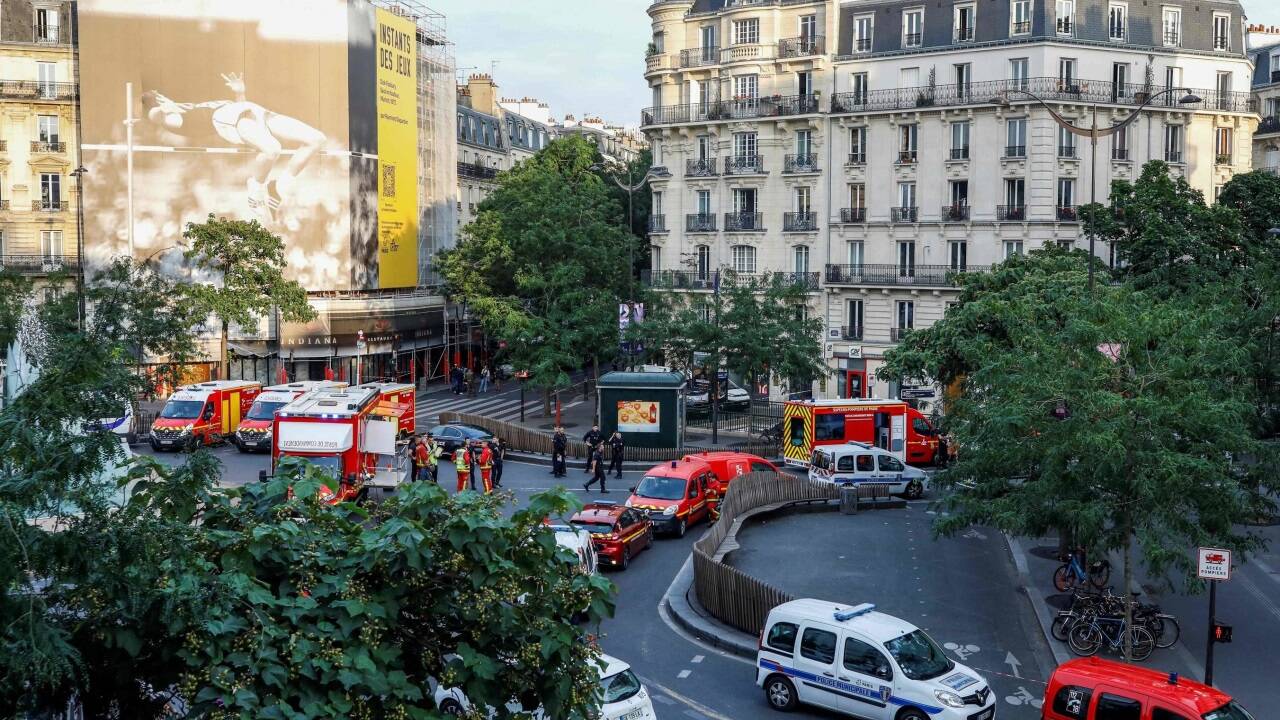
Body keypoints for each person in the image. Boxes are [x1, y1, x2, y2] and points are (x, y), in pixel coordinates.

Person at [141, 73, 326, 230]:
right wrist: (160, 109)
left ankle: (278, 187)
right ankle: (256, 191)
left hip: (252, 111)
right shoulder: (172, 117)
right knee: (272, 149)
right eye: (156, 95)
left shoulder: (181, 107)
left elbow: (243, 112)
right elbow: (154, 116)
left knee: (316, 139)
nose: (160, 94)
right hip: (226, 119)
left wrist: (239, 92)